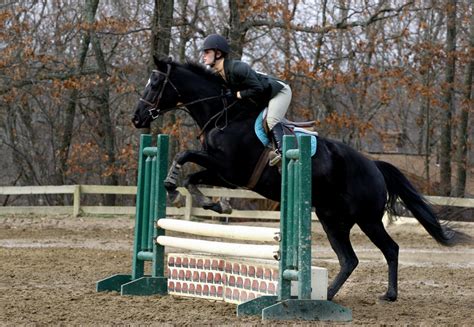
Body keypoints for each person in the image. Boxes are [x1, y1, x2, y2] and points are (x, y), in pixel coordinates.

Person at [201, 34, 292, 165]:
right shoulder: (220, 74)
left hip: (279, 92)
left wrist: (238, 94)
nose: (203, 55)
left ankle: (283, 154)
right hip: (262, 97)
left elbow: (258, 88)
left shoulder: (238, 68)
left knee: (271, 121)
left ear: (218, 53)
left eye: (207, 52)